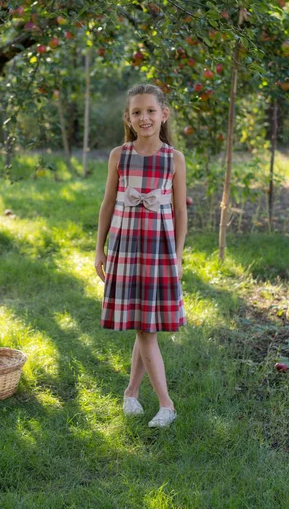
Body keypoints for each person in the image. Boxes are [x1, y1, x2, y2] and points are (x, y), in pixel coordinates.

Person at [95, 83, 187, 428]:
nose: (144, 117)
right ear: (128, 118)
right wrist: (98, 249)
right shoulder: (119, 155)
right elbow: (107, 205)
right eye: (137, 112)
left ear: (163, 115)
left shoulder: (173, 159)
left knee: (145, 327)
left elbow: (181, 212)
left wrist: (177, 257)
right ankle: (145, 398)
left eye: (151, 111)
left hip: (159, 250)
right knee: (143, 326)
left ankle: (159, 402)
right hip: (125, 246)